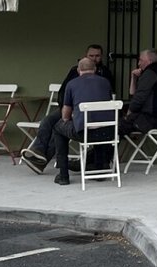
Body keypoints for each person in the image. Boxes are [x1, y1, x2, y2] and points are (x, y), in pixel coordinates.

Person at [23, 44, 111, 175]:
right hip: (70, 107)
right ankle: (39, 151)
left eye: (97, 56)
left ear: (101, 57)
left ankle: (60, 171)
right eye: (91, 56)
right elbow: (63, 92)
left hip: (86, 116)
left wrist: (68, 115)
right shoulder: (74, 71)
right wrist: (66, 108)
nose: (94, 58)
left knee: (60, 127)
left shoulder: (105, 74)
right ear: (85, 56)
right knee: (48, 120)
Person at [48, 57, 114, 185]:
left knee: (58, 128)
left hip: (83, 133)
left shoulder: (72, 84)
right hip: (108, 132)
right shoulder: (105, 82)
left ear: (78, 70)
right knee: (98, 126)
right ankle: (99, 171)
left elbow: (66, 115)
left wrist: (69, 120)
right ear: (95, 69)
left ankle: (63, 175)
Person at [124, 48, 157, 135]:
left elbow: (138, 98)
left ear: (149, 61)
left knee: (115, 126)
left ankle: (104, 148)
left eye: (140, 60)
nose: (138, 63)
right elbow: (134, 94)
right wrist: (134, 77)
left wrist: (128, 115)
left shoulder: (150, 73)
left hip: (151, 120)